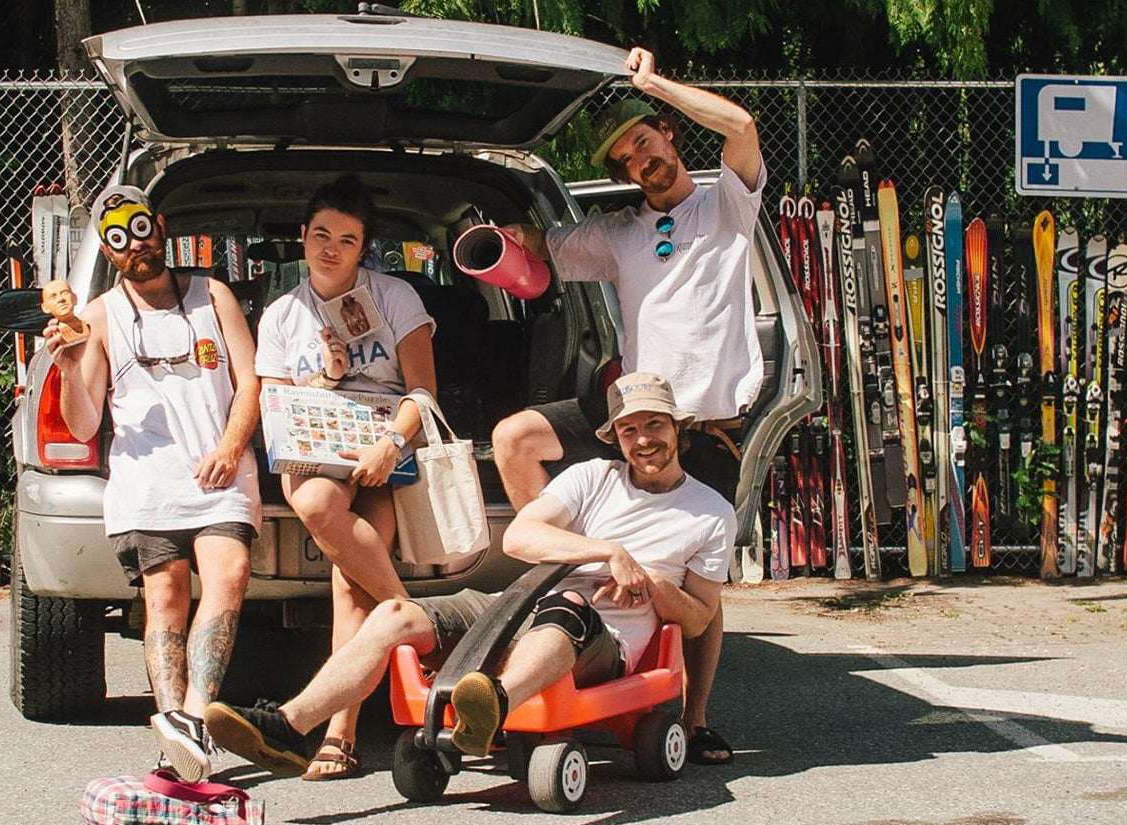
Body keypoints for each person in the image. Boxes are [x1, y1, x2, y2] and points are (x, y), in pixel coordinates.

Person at [204, 372, 732, 774]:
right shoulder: (593, 477)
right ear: (614, 437)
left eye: (654, 425)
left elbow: (699, 617)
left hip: (602, 639)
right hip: (519, 605)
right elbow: (522, 537)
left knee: (568, 608)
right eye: (629, 429)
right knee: (395, 613)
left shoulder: (710, 513)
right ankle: (289, 726)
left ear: (677, 428)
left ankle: (493, 705)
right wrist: (606, 551)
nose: (643, 441)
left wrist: (653, 583)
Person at [489, 46, 765, 765]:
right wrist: (499, 238)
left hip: (704, 425)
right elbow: (542, 250)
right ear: (621, 175)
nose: (642, 160)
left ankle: (693, 717)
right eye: (627, 158)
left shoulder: (726, 206)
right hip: (635, 413)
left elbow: (739, 123)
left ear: (670, 133)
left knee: (698, 582)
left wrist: (651, 84)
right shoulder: (619, 234)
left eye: (646, 140)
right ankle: (558, 583)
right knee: (515, 437)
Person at [46, 183, 261, 783]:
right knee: (164, 596)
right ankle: (177, 732)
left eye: (140, 230)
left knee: (230, 575)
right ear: (108, 253)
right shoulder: (96, 317)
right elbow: (85, 420)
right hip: (147, 484)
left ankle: (192, 721)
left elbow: (250, 382)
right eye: (118, 240)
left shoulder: (211, 294)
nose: (134, 247)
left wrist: (229, 446)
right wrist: (68, 362)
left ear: (160, 227)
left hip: (219, 470)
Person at [254, 173, 438, 780]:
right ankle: (417, 622)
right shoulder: (281, 315)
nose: (331, 249)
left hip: (388, 436)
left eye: (349, 240)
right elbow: (277, 404)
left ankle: (339, 734)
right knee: (315, 506)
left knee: (350, 584)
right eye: (322, 235)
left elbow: (422, 392)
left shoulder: (394, 297)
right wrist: (329, 377)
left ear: (365, 249)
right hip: (316, 436)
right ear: (303, 236)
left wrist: (390, 444)